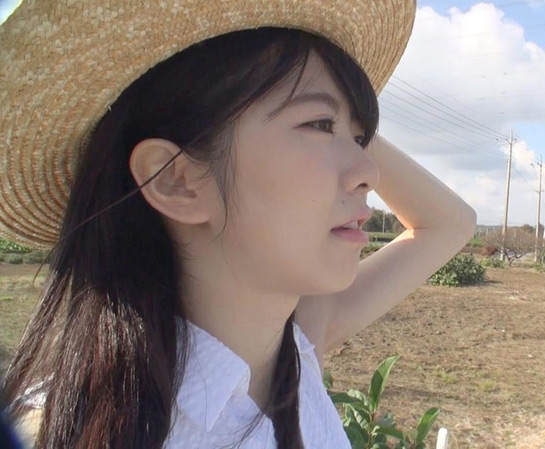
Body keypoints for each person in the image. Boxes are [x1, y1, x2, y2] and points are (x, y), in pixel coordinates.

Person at [0, 0, 477, 448]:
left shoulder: (293, 348)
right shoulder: (60, 428)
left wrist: (346, 109)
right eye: (318, 125)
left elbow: (451, 223)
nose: (369, 172)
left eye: (360, 138)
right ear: (175, 181)